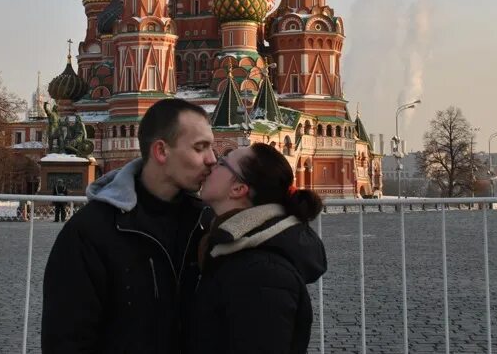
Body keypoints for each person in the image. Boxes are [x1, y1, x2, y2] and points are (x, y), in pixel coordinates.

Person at [41, 98, 216, 354]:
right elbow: (67, 339)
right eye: (200, 148)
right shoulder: (92, 232)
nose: (212, 159)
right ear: (161, 151)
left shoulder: (206, 224)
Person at [187, 143, 327, 354]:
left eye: (223, 161)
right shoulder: (231, 247)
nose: (212, 163)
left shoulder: (262, 274)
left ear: (238, 189)